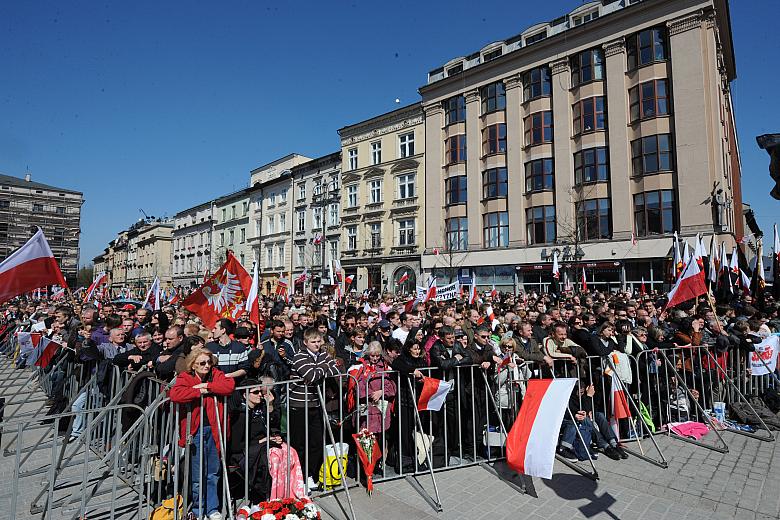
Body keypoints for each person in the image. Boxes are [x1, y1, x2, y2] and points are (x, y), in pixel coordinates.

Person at [169, 346, 235, 520]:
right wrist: (198, 392)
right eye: (202, 363)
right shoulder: (185, 377)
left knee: (213, 471)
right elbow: (176, 394)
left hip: (215, 429)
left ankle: (213, 508)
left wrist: (207, 386)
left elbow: (228, 386)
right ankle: (199, 509)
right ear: (193, 365)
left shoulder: (216, 374)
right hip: (195, 430)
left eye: (209, 362)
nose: (207, 366)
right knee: (198, 473)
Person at [288, 328, 340, 490]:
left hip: (316, 404)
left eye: (319, 341)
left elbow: (335, 371)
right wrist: (324, 366)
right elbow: (311, 375)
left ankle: (311, 474)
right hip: (299, 405)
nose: (317, 345)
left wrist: (321, 367)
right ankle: (300, 476)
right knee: (300, 444)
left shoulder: (322, 355)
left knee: (316, 442)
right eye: (313, 342)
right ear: (305, 342)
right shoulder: (299, 356)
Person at [228, 377, 283, 503]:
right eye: (256, 392)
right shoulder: (240, 414)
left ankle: (281, 492)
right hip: (244, 452)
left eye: (260, 392)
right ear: (245, 394)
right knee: (269, 459)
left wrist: (270, 406)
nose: (260, 395)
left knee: (288, 451)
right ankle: (263, 497)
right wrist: (263, 441)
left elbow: (273, 424)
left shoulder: (260, 407)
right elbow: (237, 446)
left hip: (261, 445)